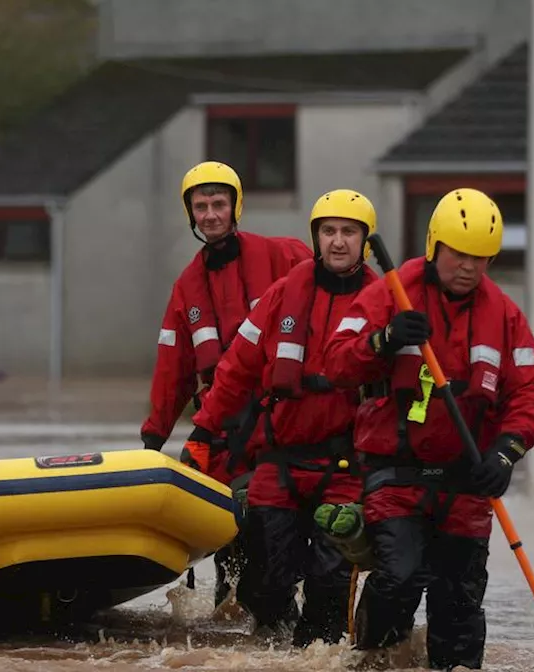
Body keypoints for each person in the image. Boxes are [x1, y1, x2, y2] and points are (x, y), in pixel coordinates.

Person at [323, 188, 534, 669]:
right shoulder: (394, 290)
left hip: (467, 479)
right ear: (435, 247)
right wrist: (384, 340)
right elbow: (337, 361)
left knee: (459, 604)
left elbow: (530, 390)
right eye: (459, 254)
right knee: (400, 578)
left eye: (481, 258)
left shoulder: (504, 314)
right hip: (396, 473)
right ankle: (369, 658)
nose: (469, 267)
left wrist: (506, 452)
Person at [184, 189, 380, 644]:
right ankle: (276, 647)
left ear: (365, 241)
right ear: (314, 237)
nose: (337, 241)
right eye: (328, 231)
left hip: (345, 465)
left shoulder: (383, 302)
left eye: (348, 232)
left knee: (329, 582)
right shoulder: (286, 291)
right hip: (280, 458)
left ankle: (319, 651)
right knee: (264, 580)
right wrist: (202, 430)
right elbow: (236, 368)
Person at [141, 161, 311, 605]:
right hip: (220, 435)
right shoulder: (187, 287)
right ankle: (237, 627)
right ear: (190, 214)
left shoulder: (283, 255)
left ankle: (281, 621)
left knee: (273, 538)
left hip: (278, 425)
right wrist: (152, 441)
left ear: (236, 207)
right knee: (228, 549)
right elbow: (171, 369)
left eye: (219, 204)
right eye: (201, 206)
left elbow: (339, 278)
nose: (211, 214)